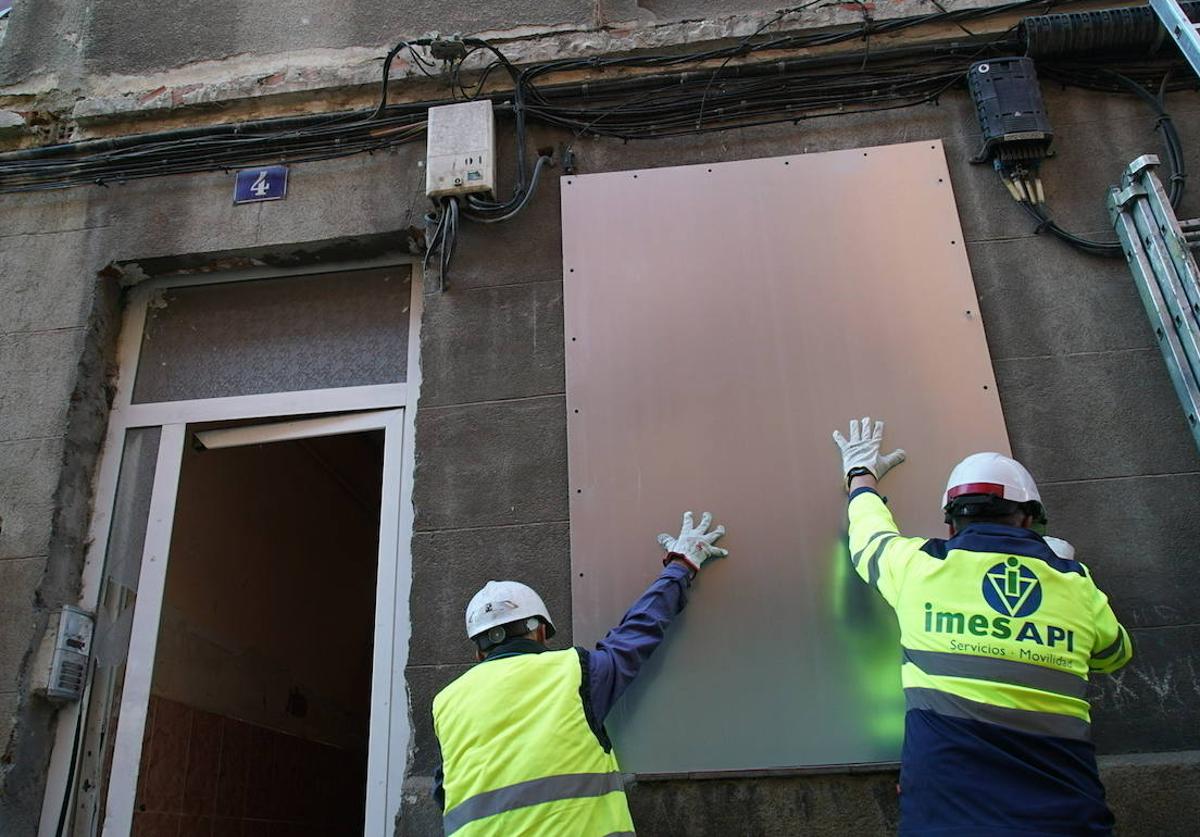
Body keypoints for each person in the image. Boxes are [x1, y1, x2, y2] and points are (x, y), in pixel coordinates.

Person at [832, 416, 1132, 835]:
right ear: (1029, 519)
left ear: (951, 522)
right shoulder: (1074, 583)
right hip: (1064, 819)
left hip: (946, 818)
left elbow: (869, 537)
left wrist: (860, 476)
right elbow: (1114, 654)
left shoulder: (921, 568)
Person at [431, 511, 727, 836]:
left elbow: (445, 792)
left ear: (478, 650)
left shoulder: (447, 704)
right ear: (542, 632)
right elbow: (638, 630)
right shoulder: (574, 672)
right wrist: (681, 565)